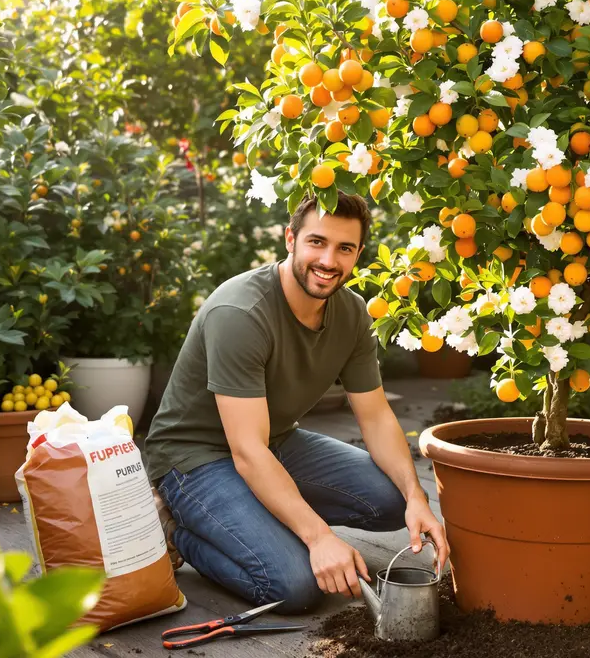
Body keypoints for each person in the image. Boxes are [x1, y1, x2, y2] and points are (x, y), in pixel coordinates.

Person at [144, 191, 448, 613]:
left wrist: (417, 495)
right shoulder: (240, 312)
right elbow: (246, 451)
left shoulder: (353, 314)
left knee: (393, 499)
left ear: (358, 253)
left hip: (275, 442)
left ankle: (259, 520)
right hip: (194, 459)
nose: (328, 261)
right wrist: (319, 537)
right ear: (290, 239)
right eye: (316, 242)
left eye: (344, 248)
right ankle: (178, 531)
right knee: (294, 584)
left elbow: (376, 417)